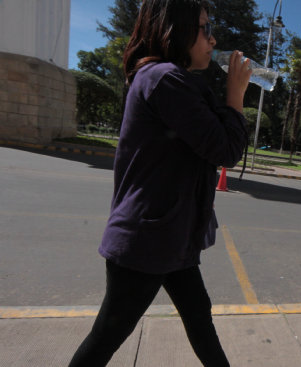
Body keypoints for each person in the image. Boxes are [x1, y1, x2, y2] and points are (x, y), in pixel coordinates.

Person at [69, 0, 251, 366]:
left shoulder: (171, 80)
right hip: (147, 243)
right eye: (204, 29)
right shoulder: (164, 79)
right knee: (106, 337)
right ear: (176, 28)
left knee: (199, 316)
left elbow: (210, 136)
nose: (212, 40)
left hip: (169, 238)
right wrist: (236, 96)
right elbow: (225, 149)